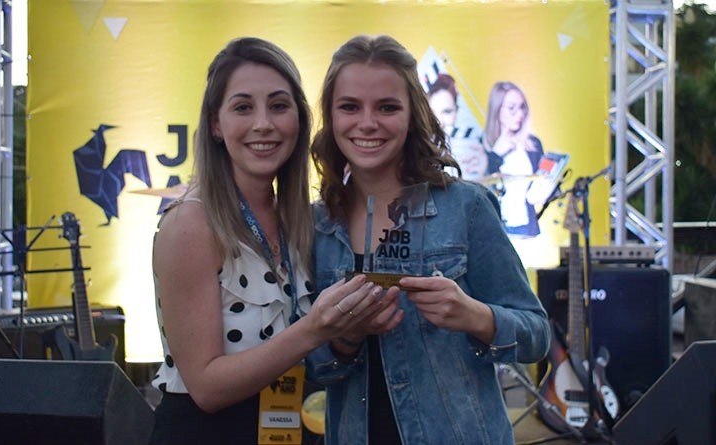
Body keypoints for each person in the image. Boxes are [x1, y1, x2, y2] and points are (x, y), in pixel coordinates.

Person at [148, 37, 399, 444]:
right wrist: (315, 329)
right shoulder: (190, 223)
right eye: (243, 107)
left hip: (290, 428)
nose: (263, 123)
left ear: (299, 120)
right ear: (215, 124)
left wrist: (347, 334)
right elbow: (206, 388)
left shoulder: (301, 220)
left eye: (279, 106)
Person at [306, 35, 551, 445]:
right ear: (330, 117)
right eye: (349, 106)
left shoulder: (467, 207)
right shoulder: (316, 225)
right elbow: (310, 367)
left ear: (412, 114)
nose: (367, 122)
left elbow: (537, 336)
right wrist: (345, 338)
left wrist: (476, 316)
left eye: (387, 107)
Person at [482, 81, 553, 237]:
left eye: (522, 107)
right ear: (497, 109)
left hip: (527, 229)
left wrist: (547, 189)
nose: (520, 114)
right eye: (512, 108)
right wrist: (495, 155)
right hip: (494, 231)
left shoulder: (533, 144)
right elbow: (479, 187)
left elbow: (543, 185)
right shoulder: (481, 144)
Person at [427, 73, 488, 180]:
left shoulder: (474, 143)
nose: (440, 121)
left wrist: (484, 171)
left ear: (457, 111)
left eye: (447, 112)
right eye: (432, 113)